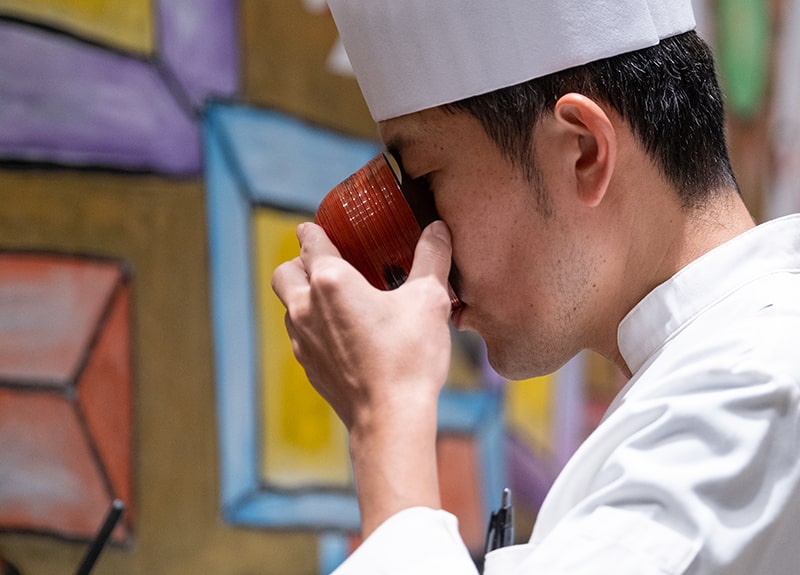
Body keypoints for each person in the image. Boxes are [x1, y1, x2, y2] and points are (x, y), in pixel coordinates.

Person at [271, 1, 800, 573]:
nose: (422, 246)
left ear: (583, 152)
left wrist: (385, 414)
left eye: (425, 180)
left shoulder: (754, 395)